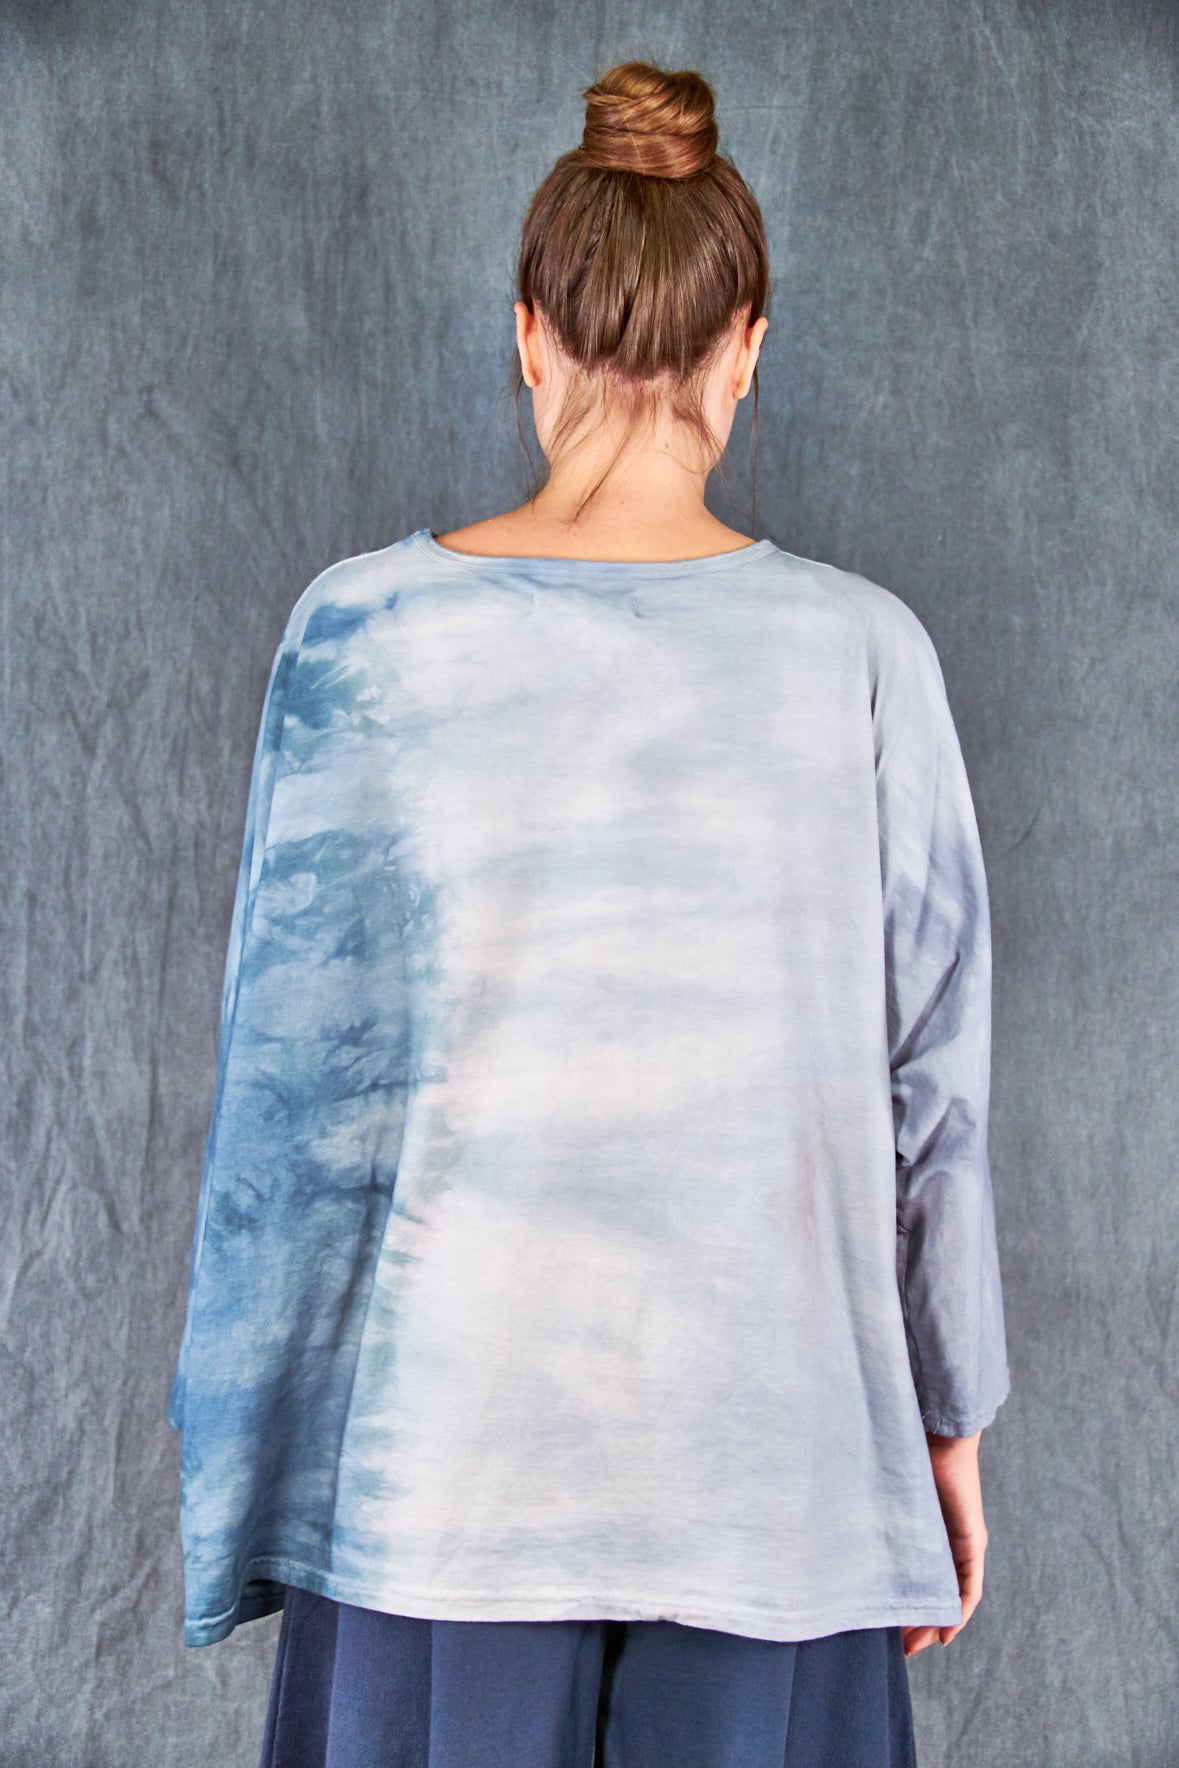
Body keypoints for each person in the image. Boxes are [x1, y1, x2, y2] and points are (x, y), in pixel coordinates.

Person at [167, 59, 1011, 1768]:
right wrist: (945, 1425)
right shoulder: (865, 654)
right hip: (777, 1477)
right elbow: (934, 1101)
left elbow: (287, 1120)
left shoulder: (361, 635)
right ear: (746, 345)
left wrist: (245, 1492)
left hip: (440, 1487)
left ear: (531, 337)